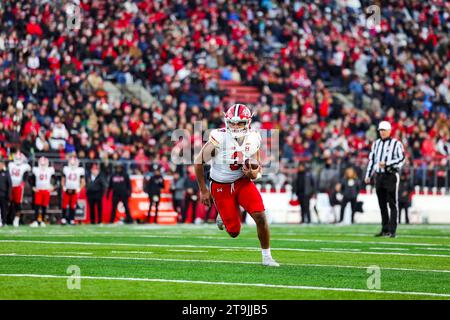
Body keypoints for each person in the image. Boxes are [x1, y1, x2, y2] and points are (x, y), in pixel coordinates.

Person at [194, 104, 279, 267]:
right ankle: (223, 214)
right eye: (232, 122)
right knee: (234, 232)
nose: (235, 126)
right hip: (221, 185)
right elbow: (198, 162)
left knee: (261, 216)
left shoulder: (254, 137)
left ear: (247, 123)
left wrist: (254, 174)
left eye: (239, 123)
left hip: (242, 182)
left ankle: (267, 256)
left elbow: (257, 166)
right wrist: (204, 191)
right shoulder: (219, 137)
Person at [365, 121, 406, 238]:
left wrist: (388, 164)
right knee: (382, 204)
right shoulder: (376, 143)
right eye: (380, 130)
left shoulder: (396, 144)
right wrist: (368, 175)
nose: (382, 132)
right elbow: (372, 160)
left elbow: (402, 159)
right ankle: (385, 229)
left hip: (391, 175)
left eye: (384, 130)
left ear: (389, 131)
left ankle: (393, 230)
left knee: (392, 203)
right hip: (379, 176)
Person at [8, 151, 31, 227]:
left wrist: (23, 182)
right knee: (10, 203)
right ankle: (9, 219)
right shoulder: (10, 164)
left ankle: (16, 219)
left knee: (18, 203)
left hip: (18, 187)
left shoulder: (24, 166)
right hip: (10, 186)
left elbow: (26, 174)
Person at [30, 157, 55, 227]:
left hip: (46, 190)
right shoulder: (36, 170)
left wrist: (53, 186)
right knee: (37, 206)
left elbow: (54, 179)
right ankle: (36, 220)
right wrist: (33, 187)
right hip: (38, 190)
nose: (43, 165)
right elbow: (31, 179)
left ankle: (43, 221)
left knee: (44, 206)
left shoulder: (50, 170)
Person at [61, 155, 85, 225]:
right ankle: (63, 219)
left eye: (74, 164)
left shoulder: (80, 170)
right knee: (65, 204)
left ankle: (72, 219)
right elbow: (63, 179)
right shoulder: (65, 169)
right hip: (67, 189)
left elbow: (83, 182)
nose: (72, 165)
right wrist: (64, 187)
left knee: (73, 205)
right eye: (71, 164)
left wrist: (79, 189)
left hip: (75, 189)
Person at [0, 160, 12, 227]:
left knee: (4, 209)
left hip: (3, 194)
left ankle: (4, 222)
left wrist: (9, 194)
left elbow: (9, 184)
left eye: (1, 164)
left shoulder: (6, 173)